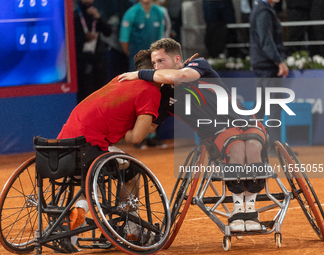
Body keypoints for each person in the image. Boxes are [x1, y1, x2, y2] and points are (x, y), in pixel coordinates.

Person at [118, 38, 268, 232]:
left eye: (160, 62)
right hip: (218, 133)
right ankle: (239, 209)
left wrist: (139, 74)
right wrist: (123, 128)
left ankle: (251, 210)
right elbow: (149, 127)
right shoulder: (164, 96)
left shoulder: (198, 65)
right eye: (154, 64)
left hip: (247, 122)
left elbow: (181, 76)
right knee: (239, 147)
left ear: (177, 58)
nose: (156, 67)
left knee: (252, 146)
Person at [57, 50, 161, 241]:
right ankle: (130, 226)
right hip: (90, 146)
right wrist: (134, 128)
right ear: (155, 70)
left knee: (90, 178)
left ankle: (76, 217)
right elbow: (136, 138)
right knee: (131, 168)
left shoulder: (119, 79)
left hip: (62, 146)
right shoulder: (151, 91)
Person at [249, 0, 289, 156]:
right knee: (272, 107)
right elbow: (266, 40)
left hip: (264, 65)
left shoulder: (263, 9)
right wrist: (279, 61)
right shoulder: (263, 12)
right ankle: (274, 146)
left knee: (261, 108)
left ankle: (253, 145)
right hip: (267, 66)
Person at [74, 0, 112, 103]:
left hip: (98, 60)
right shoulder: (75, 15)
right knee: (84, 95)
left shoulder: (96, 12)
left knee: (99, 93)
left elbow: (108, 32)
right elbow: (69, 39)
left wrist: (98, 17)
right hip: (81, 61)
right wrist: (85, 38)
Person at [119, 0, 165, 71]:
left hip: (154, 59)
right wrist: (133, 56)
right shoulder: (131, 12)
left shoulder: (159, 12)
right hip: (137, 60)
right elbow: (124, 39)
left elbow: (160, 36)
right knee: (137, 81)